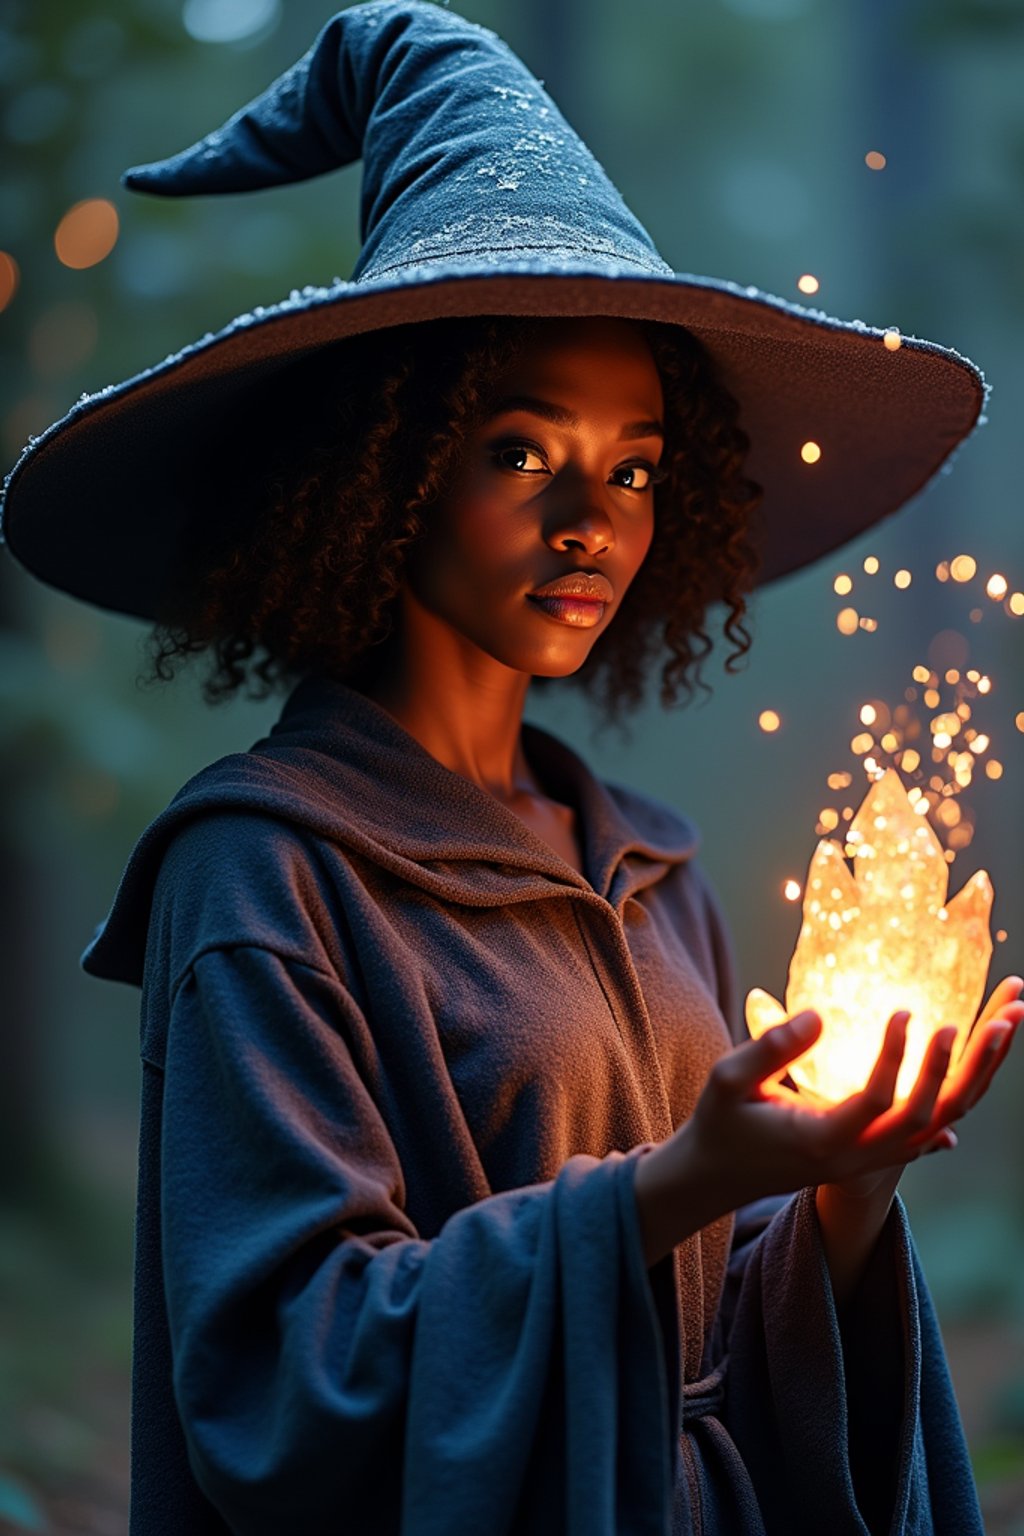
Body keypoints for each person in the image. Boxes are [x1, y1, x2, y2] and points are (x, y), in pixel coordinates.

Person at [1, 4, 1019, 1533]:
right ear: (384, 474)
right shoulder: (265, 873)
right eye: (520, 452)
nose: (591, 521)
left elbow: (727, 1327)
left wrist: (841, 1192)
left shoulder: (652, 870)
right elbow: (284, 1375)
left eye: (635, 468)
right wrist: (671, 1184)